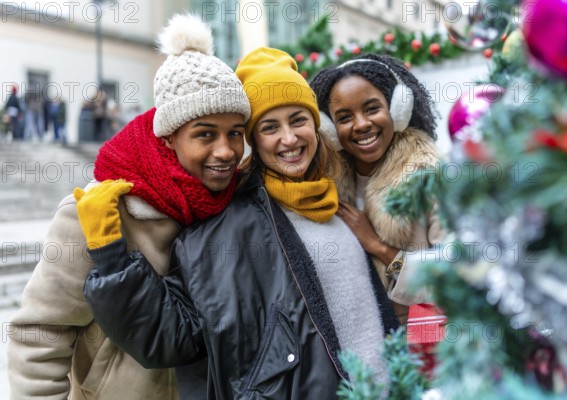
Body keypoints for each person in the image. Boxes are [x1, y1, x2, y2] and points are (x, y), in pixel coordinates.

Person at [79, 47, 399, 399]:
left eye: (298, 119)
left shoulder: (340, 200)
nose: (289, 138)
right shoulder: (221, 231)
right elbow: (170, 337)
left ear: (315, 125)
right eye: (269, 127)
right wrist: (111, 257)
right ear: (253, 141)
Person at [7, 14, 251, 400]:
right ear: (169, 137)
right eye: (205, 134)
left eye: (235, 133)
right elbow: (39, 335)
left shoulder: (233, 205)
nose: (225, 151)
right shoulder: (97, 211)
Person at [310, 54, 444, 322]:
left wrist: (378, 246)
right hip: (358, 343)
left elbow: (457, 277)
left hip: (420, 340)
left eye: (372, 109)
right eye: (345, 117)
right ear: (330, 129)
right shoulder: (324, 183)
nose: (361, 125)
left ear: (397, 109)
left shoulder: (429, 175)